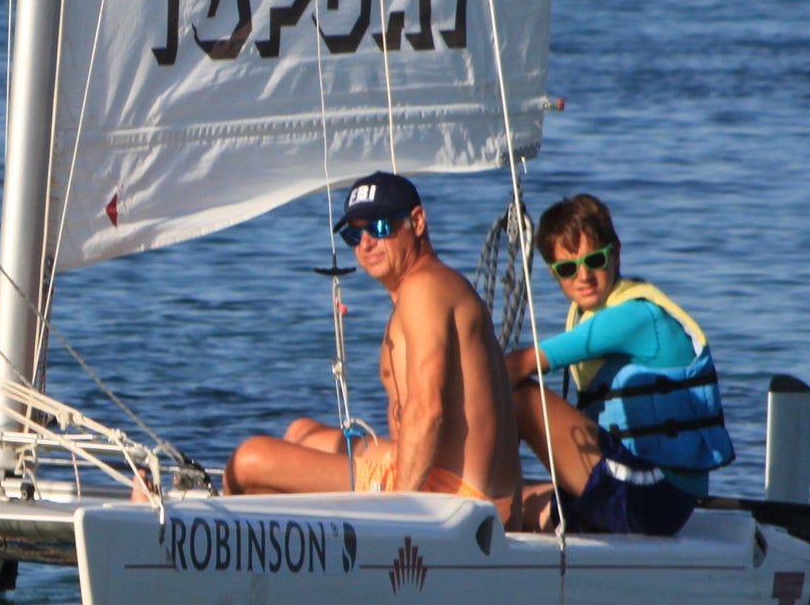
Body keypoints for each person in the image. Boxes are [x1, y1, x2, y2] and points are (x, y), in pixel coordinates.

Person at [224, 171, 523, 526]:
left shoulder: (423, 288)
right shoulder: (439, 283)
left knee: (249, 461)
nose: (366, 243)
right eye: (354, 234)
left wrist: (398, 515)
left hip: (453, 502)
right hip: (478, 494)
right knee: (301, 433)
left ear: (417, 222)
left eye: (379, 228)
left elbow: (427, 411)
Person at [506, 194, 733, 534]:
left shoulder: (633, 316)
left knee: (519, 396)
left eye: (594, 260)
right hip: (637, 487)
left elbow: (519, 365)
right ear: (553, 273)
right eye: (567, 268)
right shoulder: (588, 313)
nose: (583, 276)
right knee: (506, 507)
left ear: (615, 254)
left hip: (655, 494)